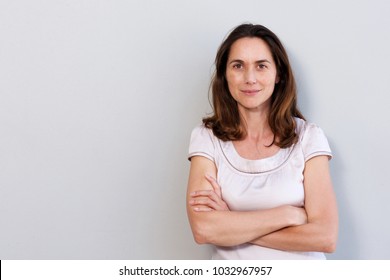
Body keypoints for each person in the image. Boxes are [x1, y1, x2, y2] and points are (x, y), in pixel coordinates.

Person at [186, 23, 338, 260]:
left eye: (261, 66)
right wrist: (288, 215)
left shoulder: (309, 138)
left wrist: (232, 224)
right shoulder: (207, 138)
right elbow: (204, 229)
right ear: (225, 75)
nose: (250, 78)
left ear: (278, 75)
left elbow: (325, 237)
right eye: (238, 66)